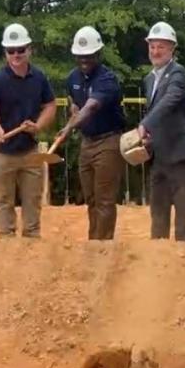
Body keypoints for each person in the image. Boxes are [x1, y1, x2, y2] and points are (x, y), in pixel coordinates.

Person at [0, 23, 56, 238]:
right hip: (2, 152)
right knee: (2, 201)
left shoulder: (39, 78)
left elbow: (50, 105)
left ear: (29, 49)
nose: (16, 55)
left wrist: (38, 126)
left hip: (29, 151)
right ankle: (7, 242)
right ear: (5, 53)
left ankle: (31, 241)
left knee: (32, 199)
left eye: (20, 50)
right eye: (11, 51)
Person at [59, 26, 125, 240]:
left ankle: (103, 243)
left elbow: (90, 107)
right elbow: (76, 107)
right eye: (80, 56)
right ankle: (93, 240)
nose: (84, 60)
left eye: (88, 56)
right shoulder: (72, 78)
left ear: (98, 54)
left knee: (104, 198)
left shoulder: (107, 80)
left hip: (109, 140)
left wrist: (69, 128)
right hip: (87, 142)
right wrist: (70, 119)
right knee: (91, 198)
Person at [138, 21, 185, 242]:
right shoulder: (149, 79)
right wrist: (147, 136)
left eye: (161, 47)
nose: (155, 51)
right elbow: (157, 111)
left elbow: (169, 101)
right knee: (158, 212)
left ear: (172, 48)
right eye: (152, 46)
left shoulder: (179, 74)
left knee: (184, 213)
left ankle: (182, 261)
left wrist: (145, 124)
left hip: (181, 155)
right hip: (159, 156)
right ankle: (158, 261)